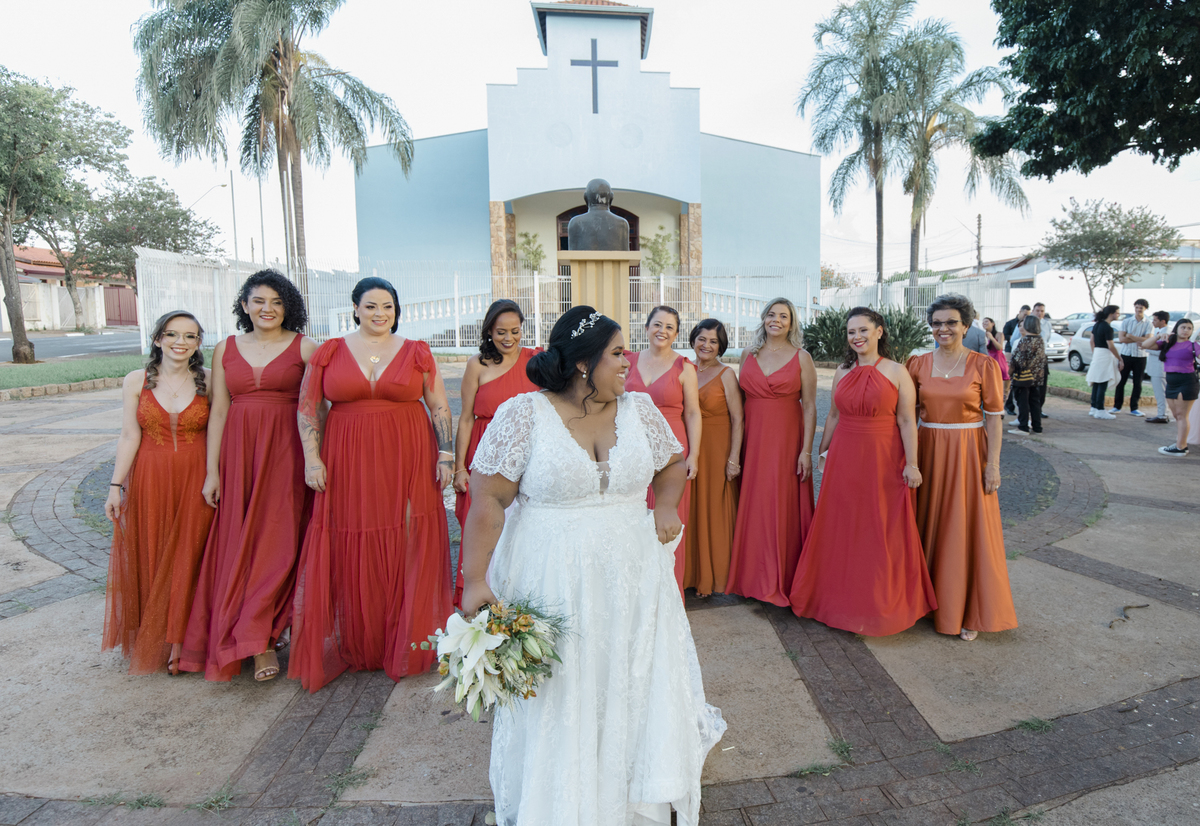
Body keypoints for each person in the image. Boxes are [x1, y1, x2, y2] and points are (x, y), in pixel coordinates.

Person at [459, 306, 725, 826]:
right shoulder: (522, 415)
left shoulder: (641, 410)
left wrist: (666, 504)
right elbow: (488, 502)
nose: (630, 362)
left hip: (633, 576)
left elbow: (672, 461)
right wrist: (473, 581)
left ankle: (630, 791)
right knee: (564, 685)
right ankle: (564, 798)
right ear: (583, 364)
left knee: (632, 674)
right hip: (553, 577)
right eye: (619, 353)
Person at [289, 276, 454, 692]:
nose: (380, 314)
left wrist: (446, 453)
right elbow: (308, 406)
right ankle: (363, 641)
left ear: (397, 312)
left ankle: (404, 640)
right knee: (352, 540)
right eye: (371, 306)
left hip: (408, 455)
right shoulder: (330, 351)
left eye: (388, 307)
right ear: (355, 309)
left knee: (405, 538)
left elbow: (438, 404)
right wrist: (312, 459)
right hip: (347, 457)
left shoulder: (416, 351)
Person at [179, 272, 317, 682]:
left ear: (287, 306)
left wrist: (317, 459)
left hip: (287, 455)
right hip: (239, 458)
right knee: (241, 545)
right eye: (258, 301)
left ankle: (261, 640)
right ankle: (247, 636)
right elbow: (218, 411)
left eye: (276, 301)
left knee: (278, 545)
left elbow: (320, 408)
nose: (267, 309)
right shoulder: (226, 348)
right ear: (244, 305)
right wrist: (211, 472)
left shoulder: (306, 347)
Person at [788, 308, 935, 636]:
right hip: (844, 457)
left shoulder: (898, 372)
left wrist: (912, 464)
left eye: (864, 330)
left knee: (880, 527)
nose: (857, 337)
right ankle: (836, 600)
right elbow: (834, 417)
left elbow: (908, 420)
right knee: (841, 526)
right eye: (851, 331)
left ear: (879, 332)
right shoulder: (842, 371)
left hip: (883, 457)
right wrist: (818, 453)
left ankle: (878, 606)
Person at [103, 311, 214, 675]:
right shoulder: (136, 381)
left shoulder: (210, 382)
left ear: (198, 343)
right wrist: (116, 486)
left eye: (189, 336)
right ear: (157, 339)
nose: (180, 342)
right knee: (155, 550)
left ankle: (182, 643)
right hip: (150, 476)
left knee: (189, 555)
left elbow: (219, 434)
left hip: (196, 477)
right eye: (172, 334)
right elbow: (129, 435)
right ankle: (162, 637)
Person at [907, 294, 1016, 641]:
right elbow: (904, 416)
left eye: (951, 322)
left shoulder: (983, 366)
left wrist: (992, 464)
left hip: (969, 453)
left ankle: (968, 609)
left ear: (966, 325)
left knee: (965, 529)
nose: (944, 328)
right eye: (937, 322)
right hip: (927, 451)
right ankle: (923, 604)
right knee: (926, 524)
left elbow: (995, 419)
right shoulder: (917, 364)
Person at [727, 298, 817, 606]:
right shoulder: (747, 355)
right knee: (755, 503)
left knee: (781, 503)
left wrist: (806, 451)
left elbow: (810, 407)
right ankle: (754, 578)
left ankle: (783, 578)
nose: (776, 320)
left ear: (792, 323)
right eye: (771, 314)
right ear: (763, 318)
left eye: (784, 316)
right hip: (754, 439)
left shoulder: (802, 357)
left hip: (786, 440)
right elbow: (738, 406)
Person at [452, 299, 540, 606]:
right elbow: (465, 418)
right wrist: (459, 467)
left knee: (521, 527)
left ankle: (516, 597)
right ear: (489, 331)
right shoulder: (477, 365)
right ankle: (478, 598)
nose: (508, 338)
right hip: (484, 452)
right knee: (481, 524)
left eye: (515, 331)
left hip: (525, 454)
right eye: (501, 331)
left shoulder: (535, 360)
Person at [625, 305, 702, 592]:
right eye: (657, 324)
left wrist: (693, 455)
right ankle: (635, 591)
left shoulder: (685, 367)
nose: (662, 331)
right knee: (633, 517)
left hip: (671, 453)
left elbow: (693, 413)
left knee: (668, 520)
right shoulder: (627, 361)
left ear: (677, 334)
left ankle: (667, 592)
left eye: (669, 327)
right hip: (633, 448)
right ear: (646, 328)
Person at [685, 318, 743, 597]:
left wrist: (734, 458)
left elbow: (739, 419)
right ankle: (690, 574)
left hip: (718, 447)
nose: (706, 345)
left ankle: (715, 575)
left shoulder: (727, 374)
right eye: (702, 338)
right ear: (693, 339)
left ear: (721, 346)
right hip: (688, 447)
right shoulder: (683, 369)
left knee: (714, 509)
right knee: (690, 508)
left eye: (713, 341)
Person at [1139, 318, 1199, 456]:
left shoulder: (1193, 345)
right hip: (1171, 382)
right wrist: (1159, 335)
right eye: (1183, 327)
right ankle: (1180, 443)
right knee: (1177, 415)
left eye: (1189, 328)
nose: (1186, 330)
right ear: (1176, 328)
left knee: (1183, 415)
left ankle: (1181, 447)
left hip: (1187, 381)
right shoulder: (1167, 343)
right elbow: (1144, 345)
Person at [1111, 298, 1151, 416]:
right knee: (1121, 381)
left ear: (1145, 309)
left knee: (1137, 383)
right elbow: (1122, 339)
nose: (1138, 310)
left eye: (1141, 308)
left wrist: (1131, 336)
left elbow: (1148, 339)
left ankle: (1134, 407)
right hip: (1126, 354)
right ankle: (1117, 406)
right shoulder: (1127, 321)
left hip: (1140, 356)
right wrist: (1140, 338)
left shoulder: (1148, 323)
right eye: (1137, 307)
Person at [1008, 315, 1047, 435]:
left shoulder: (1025, 340)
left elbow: (1019, 360)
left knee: (1022, 402)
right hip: (1037, 376)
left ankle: (1023, 427)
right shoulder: (1040, 339)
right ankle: (1037, 426)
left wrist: (1010, 371)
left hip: (1023, 377)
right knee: (1034, 402)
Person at [1085, 305, 1123, 419]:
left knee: (1096, 381)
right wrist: (1119, 358)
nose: (1118, 315)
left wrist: (1095, 352)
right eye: (1117, 312)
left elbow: (1092, 341)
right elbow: (1110, 345)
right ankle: (1100, 409)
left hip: (1097, 353)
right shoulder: (1107, 327)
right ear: (1111, 313)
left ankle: (1094, 407)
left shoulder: (1097, 324)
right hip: (1105, 354)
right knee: (1102, 381)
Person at [1143, 311, 1172, 424]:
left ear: (1163, 321)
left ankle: (1162, 415)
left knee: (1161, 392)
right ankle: (1162, 413)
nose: (1153, 322)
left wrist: (1147, 347)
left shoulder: (1166, 333)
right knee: (1159, 392)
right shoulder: (1158, 331)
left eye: (1155, 320)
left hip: (1160, 368)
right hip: (1155, 367)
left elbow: (1163, 351)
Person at [1002, 306, 1030, 414]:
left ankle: (1023, 417)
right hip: (1010, 353)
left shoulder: (1028, 340)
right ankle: (1009, 407)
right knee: (1009, 384)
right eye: (1025, 314)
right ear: (1020, 312)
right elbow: (1005, 336)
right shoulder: (1010, 324)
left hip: (1024, 372)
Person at [982, 317, 1010, 401]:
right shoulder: (982, 335)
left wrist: (991, 338)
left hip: (998, 358)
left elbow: (999, 347)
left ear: (993, 323)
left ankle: (1004, 396)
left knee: (1002, 377)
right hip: (988, 358)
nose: (984, 324)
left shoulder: (999, 334)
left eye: (986, 321)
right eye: (983, 322)